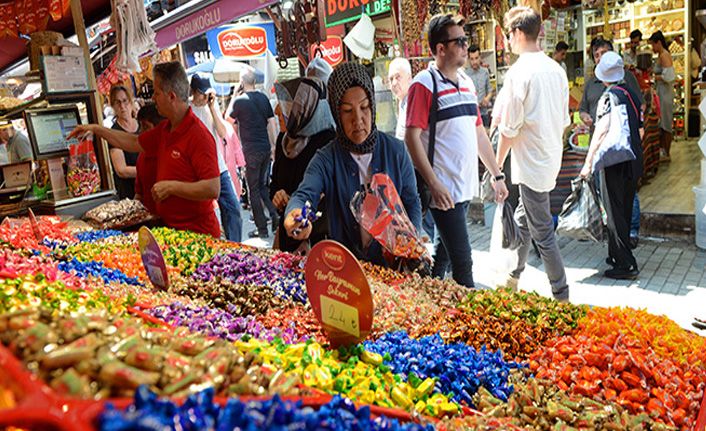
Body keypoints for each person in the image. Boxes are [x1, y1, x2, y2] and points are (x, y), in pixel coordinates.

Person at [283, 62, 422, 266]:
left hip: (393, 267)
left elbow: (412, 202)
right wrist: (294, 214)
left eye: (364, 107)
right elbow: (304, 195)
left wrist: (412, 240)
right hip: (346, 270)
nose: (358, 119)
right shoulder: (326, 158)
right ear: (336, 114)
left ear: (372, 106)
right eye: (347, 111)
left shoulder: (396, 151)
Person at [405, 13, 508, 288]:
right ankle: (470, 321)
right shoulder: (424, 84)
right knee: (464, 262)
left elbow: (478, 133)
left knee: (445, 254)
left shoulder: (466, 82)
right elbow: (411, 137)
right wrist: (433, 182)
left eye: (466, 41)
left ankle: (429, 295)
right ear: (441, 48)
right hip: (443, 190)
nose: (465, 46)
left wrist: (497, 175)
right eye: (459, 41)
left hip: (463, 188)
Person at [69, 61, 221, 238]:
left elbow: (212, 188)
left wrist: (172, 187)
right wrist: (96, 129)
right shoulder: (165, 129)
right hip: (173, 232)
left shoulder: (198, 136)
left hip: (199, 234)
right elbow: (133, 142)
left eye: (157, 93)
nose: (153, 98)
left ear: (171, 96)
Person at [495, 6, 570, 302]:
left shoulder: (519, 73)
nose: (508, 42)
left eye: (508, 35)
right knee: (524, 218)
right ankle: (514, 275)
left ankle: (561, 295)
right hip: (549, 159)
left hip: (532, 163)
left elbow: (509, 129)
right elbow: (563, 122)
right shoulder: (556, 69)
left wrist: (496, 166)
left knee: (543, 233)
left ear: (516, 34)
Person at [580, 52, 643, 280]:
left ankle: (626, 264)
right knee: (624, 208)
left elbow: (601, 132)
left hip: (614, 162)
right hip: (633, 159)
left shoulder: (609, 97)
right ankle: (617, 254)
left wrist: (588, 163)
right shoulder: (632, 95)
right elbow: (641, 131)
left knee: (614, 213)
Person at [270, 76, 335, 253]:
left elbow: (331, 200)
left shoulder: (327, 142)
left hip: (318, 243)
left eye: (285, 106)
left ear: (303, 109)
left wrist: (298, 207)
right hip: (287, 238)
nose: (277, 111)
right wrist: (278, 196)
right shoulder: (284, 140)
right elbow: (274, 184)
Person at [190, 74, 243, 242]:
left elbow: (222, 133)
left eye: (206, 93)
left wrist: (213, 108)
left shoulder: (210, 109)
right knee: (203, 212)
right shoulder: (187, 110)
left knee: (233, 208)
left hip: (219, 167)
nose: (204, 97)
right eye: (201, 93)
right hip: (198, 170)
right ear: (194, 92)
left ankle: (235, 245)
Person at [229, 71, 279, 239]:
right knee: (263, 186)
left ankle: (262, 228)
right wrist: (273, 145)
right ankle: (274, 215)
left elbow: (227, 121)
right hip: (265, 148)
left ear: (242, 82)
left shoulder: (239, 101)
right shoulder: (263, 98)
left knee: (253, 190)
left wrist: (236, 92)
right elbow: (272, 123)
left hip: (250, 151)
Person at [579, 37, 644, 129]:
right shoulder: (590, 83)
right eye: (596, 56)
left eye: (603, 53)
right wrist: (585, 117)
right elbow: (583, 109)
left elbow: (641, 105)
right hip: (598, 137)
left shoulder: (627, 77)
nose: (600, 58)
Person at [108, 85, 139, 200]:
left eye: (125, 101)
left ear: (131, 101)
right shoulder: (115, 133)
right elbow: (121, 170)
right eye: (117, 102)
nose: (122, 106)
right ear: (113, 106)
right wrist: (149, 170)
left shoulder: (143, 125)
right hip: (129, 194)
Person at [649, 31, 675, 163]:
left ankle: (667, 152)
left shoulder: (664, 55)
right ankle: (664, 151)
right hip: (662, 92)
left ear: (658, 43)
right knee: (663, 122)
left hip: (665, 94)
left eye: (653, 45)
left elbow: (669, 77)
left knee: (666, 123)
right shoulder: (661, 55)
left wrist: (656, 77)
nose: (652, 48)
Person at [134, 103, 164, 213]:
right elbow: (139, 194)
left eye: (145, 127)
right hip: (150, 221)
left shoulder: (170, 154)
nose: (141, 132)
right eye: (140, 126)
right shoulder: (142, 156)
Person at [466, 45, 494, 127]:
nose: (474, 62)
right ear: (468, 59)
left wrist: (487, 99)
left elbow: (490, 90)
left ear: (480, 57)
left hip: (484, 113)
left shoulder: (485, 72)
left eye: (476, 58)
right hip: (472, 115)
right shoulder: (465, 75)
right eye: (472, 59)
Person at [388, 57, 413, 141]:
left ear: (409, 78)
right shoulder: (402, 101)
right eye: (391, 79)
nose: (394, 83)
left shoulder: (414, 102)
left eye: (398, 77)